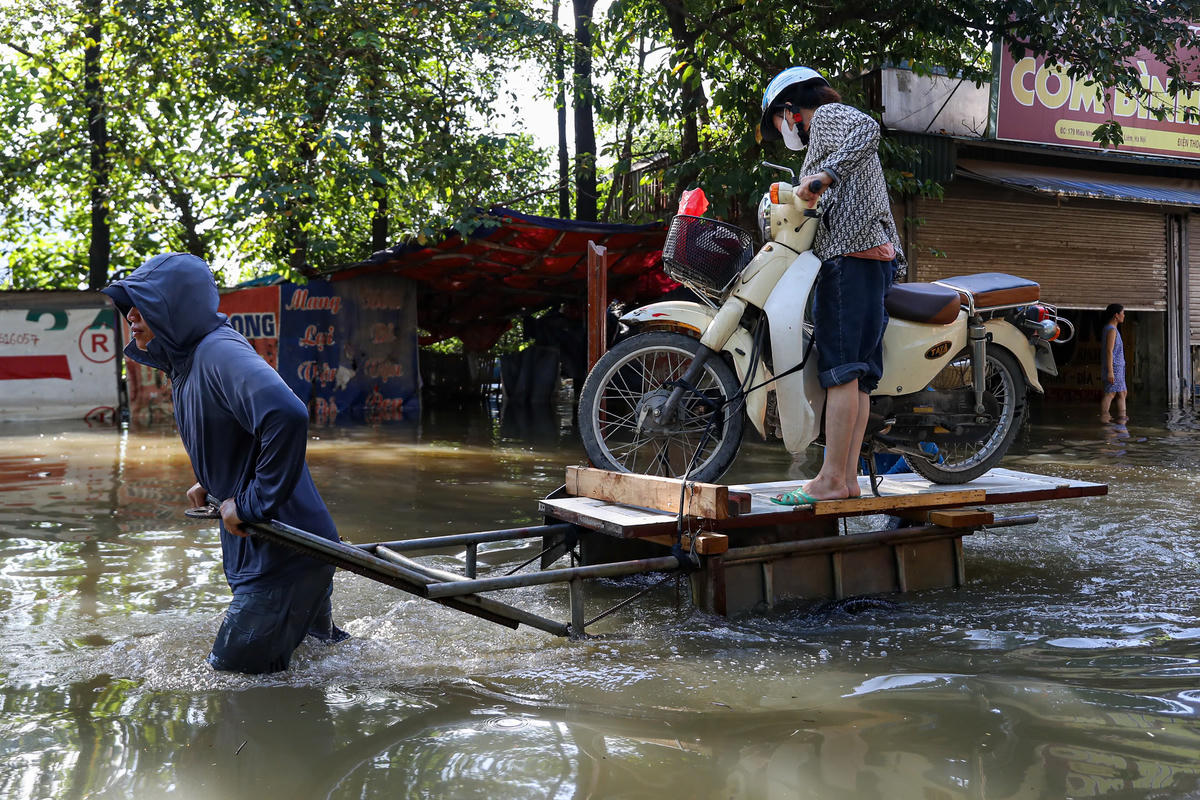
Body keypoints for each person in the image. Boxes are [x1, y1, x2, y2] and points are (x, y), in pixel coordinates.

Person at [102, 253, 348, 674]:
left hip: (282, 551)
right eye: (128, 309)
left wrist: (251, 504)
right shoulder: (188, 360)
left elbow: (286, 415)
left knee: (231, 683)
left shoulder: (217, 351)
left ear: (176, 307)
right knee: (321, 663)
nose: (132, 318)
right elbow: (243, 433)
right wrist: (212, 483)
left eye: (144, 307)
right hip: (287, 545)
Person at [758, 66, 904, 504]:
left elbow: (866, 127)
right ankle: (847, 479)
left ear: (790, 108)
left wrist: (823, 178)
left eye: (779, 121)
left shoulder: (826, 117)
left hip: (849, 257)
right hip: (872, 258)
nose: (783, 129)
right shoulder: (824, 138)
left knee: (841, 374)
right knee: (856, 379)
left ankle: (829, 480)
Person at [1100, 303, 1127, 422]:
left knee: (1122, 393)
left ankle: (1122, 420)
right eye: (1122, 313)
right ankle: (1105, 418)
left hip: (1118, 367)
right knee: (1110, 393)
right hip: (1114, 367)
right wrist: (1110, 372)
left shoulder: (1112, 329)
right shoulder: (1111, 330)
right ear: (1116, 315)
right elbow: (1109, 351)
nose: (1124, 315)